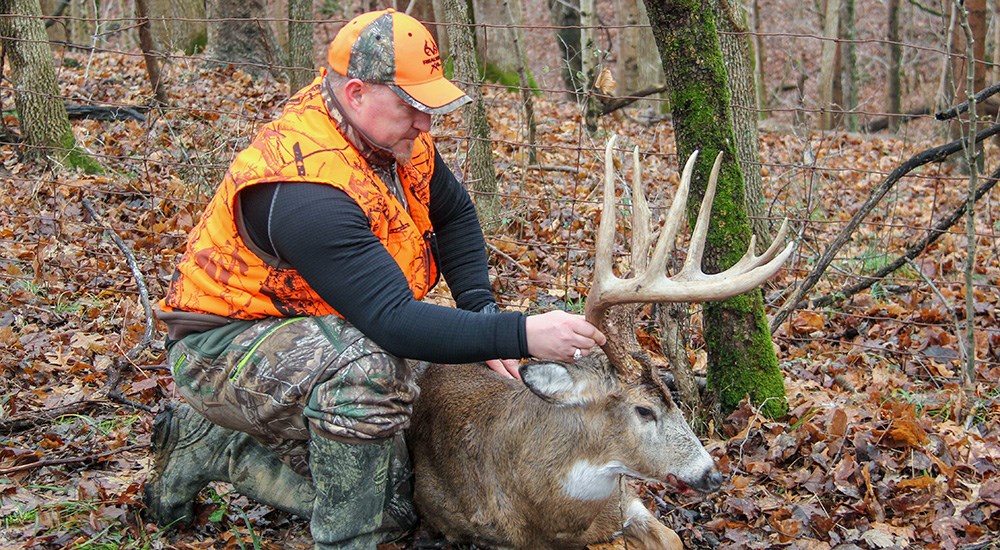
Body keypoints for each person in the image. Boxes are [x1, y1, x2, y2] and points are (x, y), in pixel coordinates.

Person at [143, 8, 606, 550]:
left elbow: (454, 214)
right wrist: (520, 333)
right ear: (357, 92)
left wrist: (481, 311)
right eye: (412, 105)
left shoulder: (392, 140)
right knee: (375, 388)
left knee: (417, 477)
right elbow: (392, 322)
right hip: (221, 346)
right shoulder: (303, 187)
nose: (426, 123)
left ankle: (288, 459)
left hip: (326, 323)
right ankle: (336, 525)